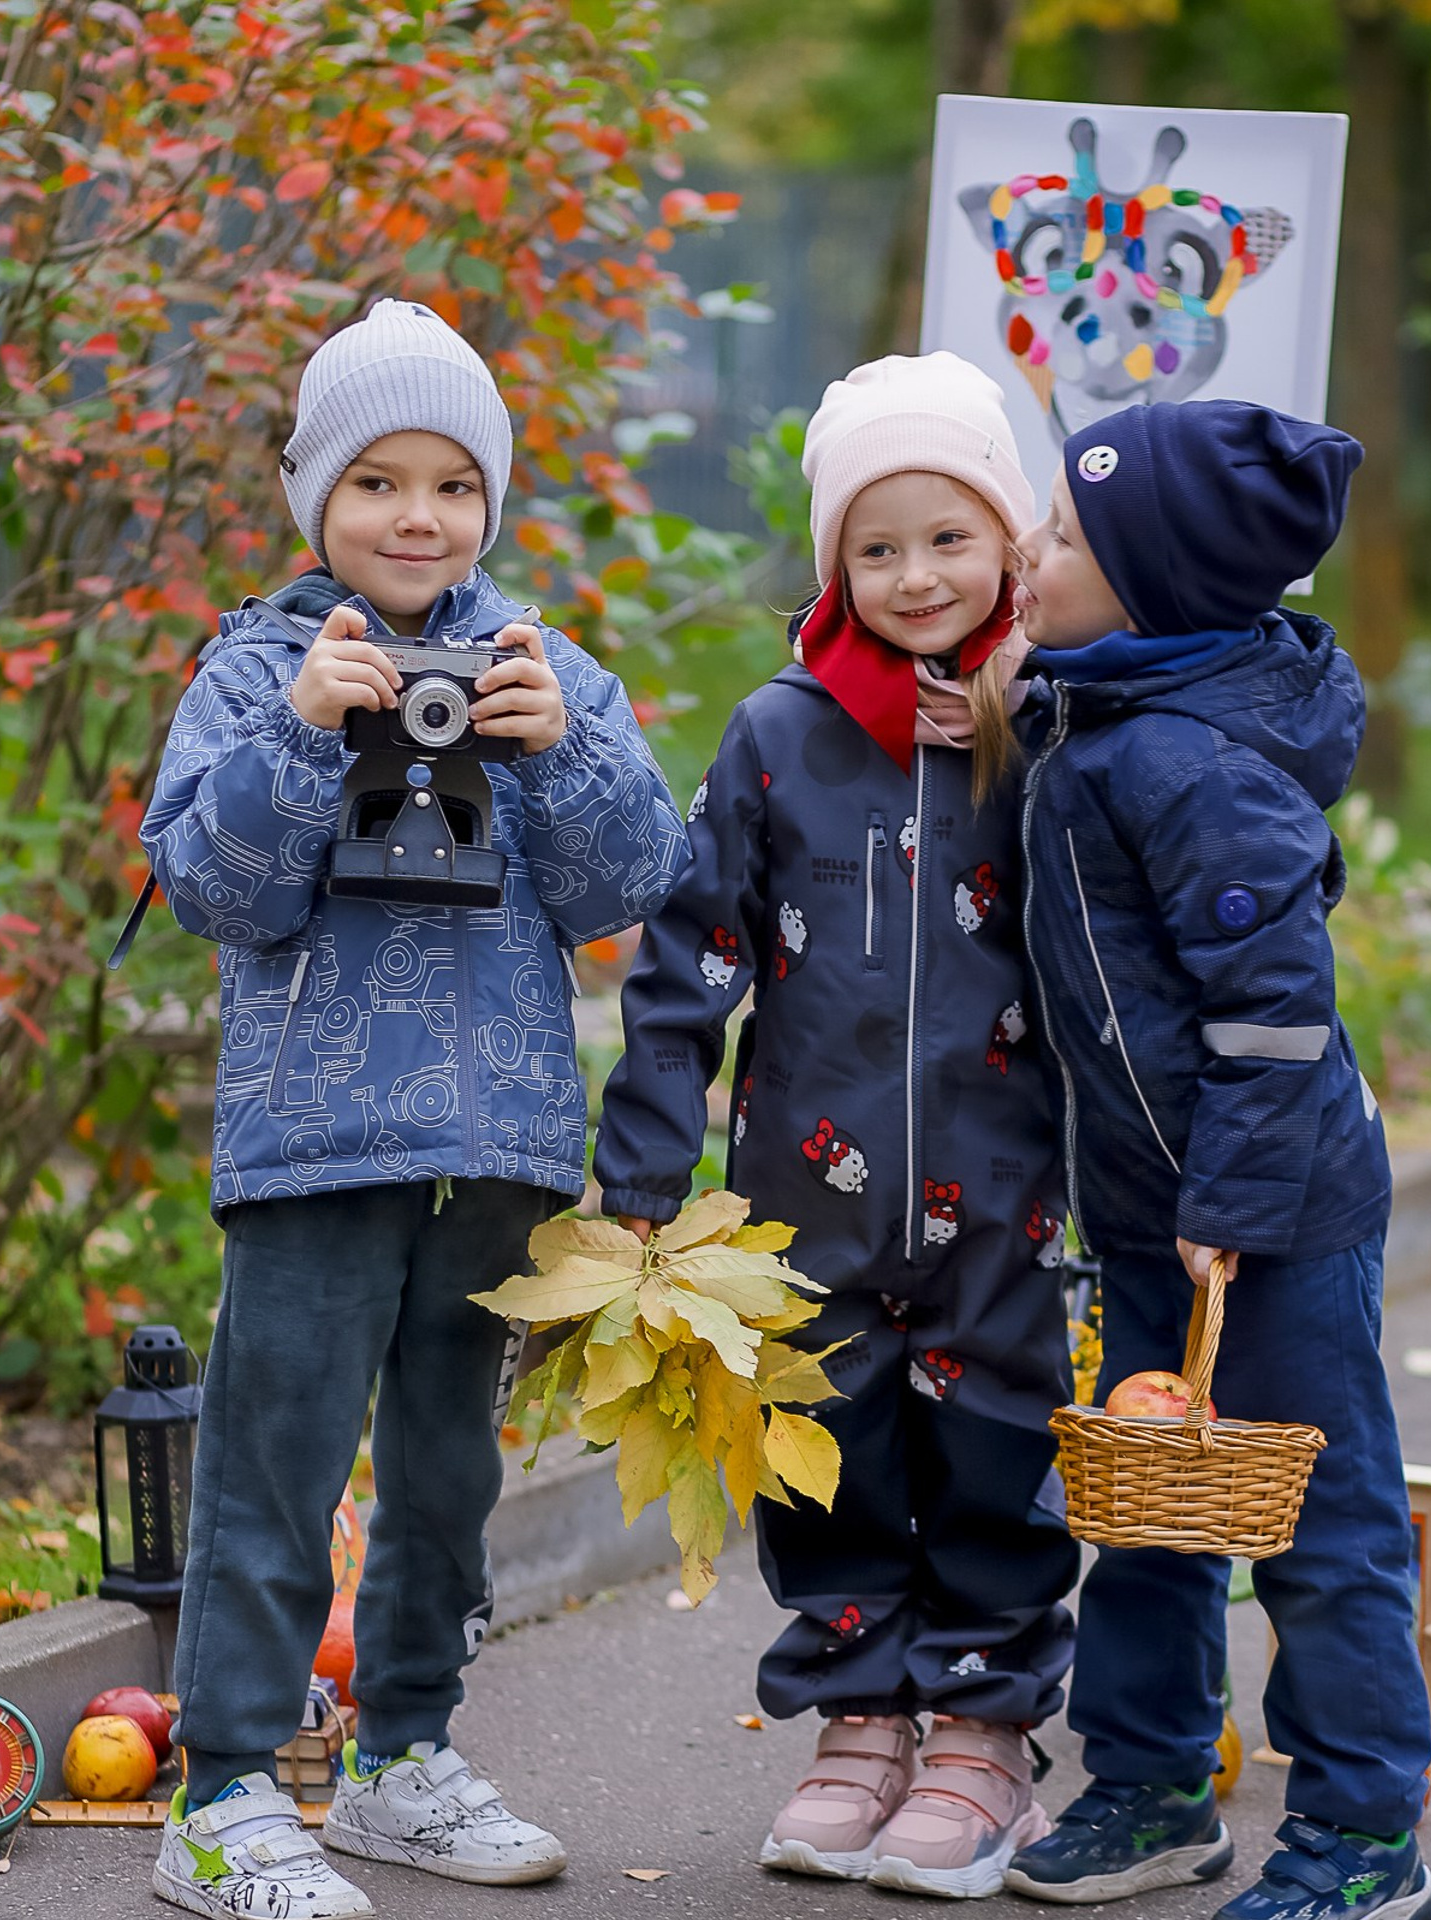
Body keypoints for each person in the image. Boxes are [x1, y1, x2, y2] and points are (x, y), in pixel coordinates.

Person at [139, 298, 688, 1917]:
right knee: (275, 1460)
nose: (418, 518)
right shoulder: (258, 668)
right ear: (319, 497)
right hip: (315, 1143)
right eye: (378, 480)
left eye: (454, 484)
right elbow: (209, 889)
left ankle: (402, 1763)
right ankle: (227, 1792)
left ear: (491, 505)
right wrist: (310, 731)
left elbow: (633, 886)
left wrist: (564, 750)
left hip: (498, 1139)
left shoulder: (544, 668)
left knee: (450, 1472)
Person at [594, 352, 1079, 1902]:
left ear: (1012, 542)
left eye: (951, 538)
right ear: (833, 565)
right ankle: (861, 1718)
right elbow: (686, 966)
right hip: (810, 1199)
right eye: (877, 547)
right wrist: (645, 1176)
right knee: (834, 1454)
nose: (917, 575)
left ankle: (982, 1735)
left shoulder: (1058, 726)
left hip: (1011, 1198)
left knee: (997, 1456)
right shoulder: (778, 734)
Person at [1000, 400, 1431, 1920]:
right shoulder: (1102, 711)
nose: (1026, 550)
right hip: (1154, 1204)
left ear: (1154, 586)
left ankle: (1365, 1837)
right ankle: (1151, 1784)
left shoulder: (1193, 765)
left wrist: (1232, 1207)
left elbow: (1271, 1016)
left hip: (1272, 1213)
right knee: (1154, 1501)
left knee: (1316, 1523)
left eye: (1059, 534)